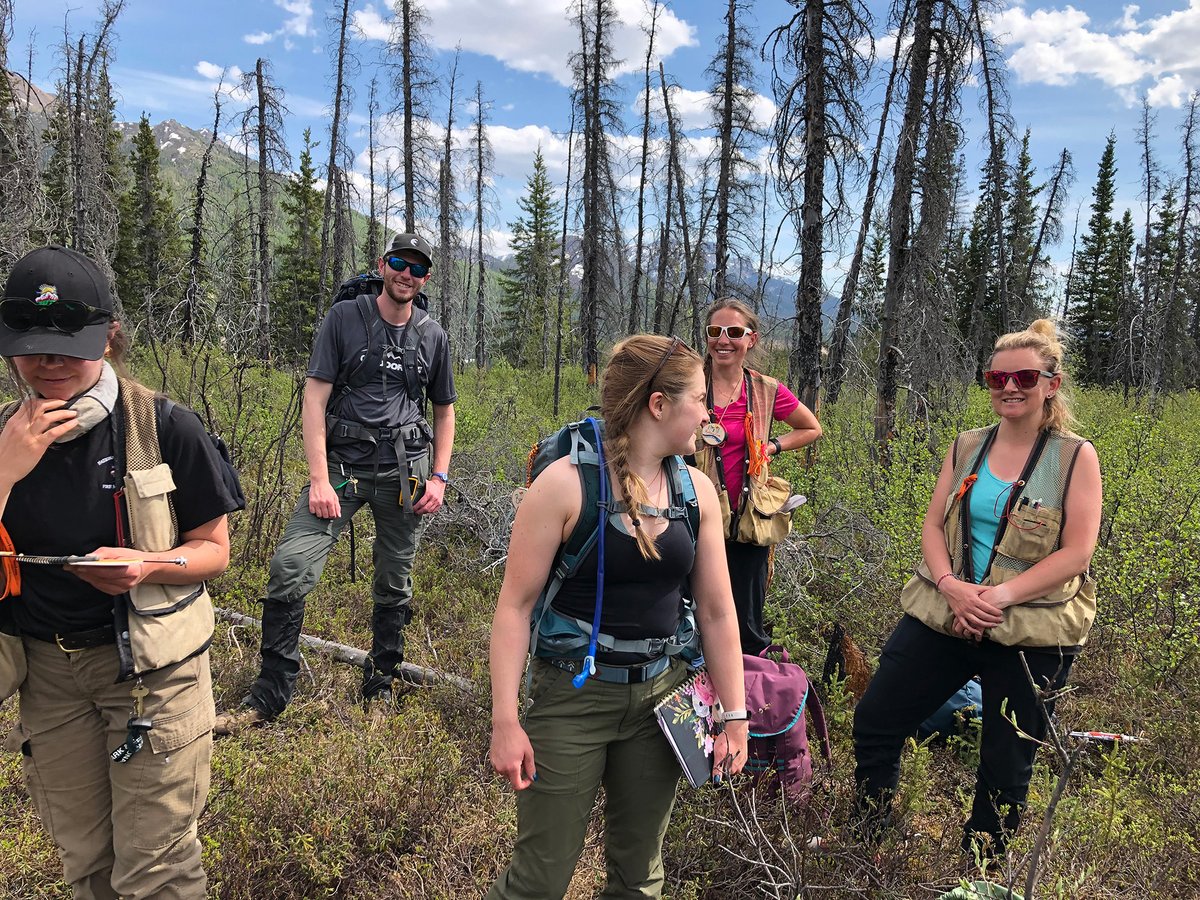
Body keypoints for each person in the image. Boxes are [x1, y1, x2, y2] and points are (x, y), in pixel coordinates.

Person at [0, 245, 239, 898]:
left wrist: (149, 564)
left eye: (66, 347)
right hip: (48, 680)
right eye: (31, 346)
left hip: (151, 677)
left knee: (156, 870)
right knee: (88, 867)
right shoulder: (3, 436)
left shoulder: (164, 428)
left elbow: (214, 549)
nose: (47, 365)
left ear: (108, 337)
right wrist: (4, 471)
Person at [487, 335, 748, 899]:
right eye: (700, 399)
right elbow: (514, 608)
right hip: (572, 700)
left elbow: (717, 611)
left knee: (639, 876)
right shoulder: (563, 486)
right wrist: (505, 720)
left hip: (663, 700)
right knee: (539, 879)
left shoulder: (695, 490)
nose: (709, 412)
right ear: (659, 405)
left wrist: (735, 714)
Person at [852, 319, 1103, 858]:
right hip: (948, 609)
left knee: (1007, 764)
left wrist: (997, 598)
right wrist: (951, 587)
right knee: (877, 718)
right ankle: (867, 841)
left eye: (1025, 378)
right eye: (997, 378)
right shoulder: (966, 446)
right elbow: (932, 526)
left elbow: (1077, 552)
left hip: (1031, 627)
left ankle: (981, 876)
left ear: (1051, 384)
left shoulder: (1074, 457)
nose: (1010, 387)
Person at [215, 232, 456, 732]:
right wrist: (319, 480)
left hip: (405, 472)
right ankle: (270, 694)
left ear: (425, 277)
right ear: (382, 265)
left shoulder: (432, 336)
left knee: (395, 575)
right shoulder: (344, 320)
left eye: (416, 268)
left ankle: (381, 679)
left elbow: (444, 409)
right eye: (398, 263)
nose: (405, 274)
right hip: (342, 470)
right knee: (290, 565)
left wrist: (439, 475)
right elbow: (314, 400)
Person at [693, 298, 822, 655]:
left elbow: (811, 427)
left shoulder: (765, 389)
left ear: (751, 339)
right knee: (688, 613)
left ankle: (749, 696)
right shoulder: (689, 382)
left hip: (749, 522)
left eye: (734, 332)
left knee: (745, 622)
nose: (723, 340)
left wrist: (772, 447)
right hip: (696, 517)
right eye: (714, 332)